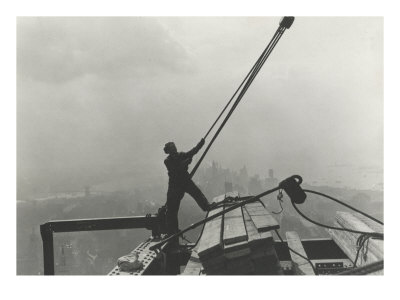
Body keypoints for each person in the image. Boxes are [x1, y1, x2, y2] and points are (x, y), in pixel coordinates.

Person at [163, 139, 215, 236]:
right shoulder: (167, 161)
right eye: (172, 146)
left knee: (197, 193)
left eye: (174, 146)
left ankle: (207, 206)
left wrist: (200, 144)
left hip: (183, 181)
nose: (175, 147)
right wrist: (186, 162)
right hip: (175, 185)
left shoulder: (180, 155)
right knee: (172, 208)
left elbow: (193, 152)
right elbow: (176, 169)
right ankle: (172, 230)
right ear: (169, 150)